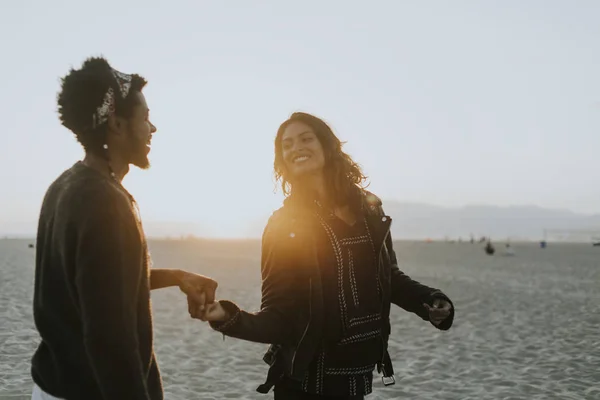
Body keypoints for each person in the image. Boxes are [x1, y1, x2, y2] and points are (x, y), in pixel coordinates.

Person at [192, 112, 454, 399]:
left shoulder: (370, 210)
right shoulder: (285, 224)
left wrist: (429, 302)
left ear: (327, 147)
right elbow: (278, 316)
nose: (296, 148)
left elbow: (388, 277)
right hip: (305, 384)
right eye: (287, 145)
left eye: (306, 139)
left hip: (357, 378)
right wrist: (227, 316)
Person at [31, 57, 218, 400]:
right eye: (145, 118)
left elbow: (97, 286)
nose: (153, 128)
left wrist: (176, 276)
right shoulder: (104, 202)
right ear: (116, 125)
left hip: (51, 385)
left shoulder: (66, 185)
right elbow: (109, 340)